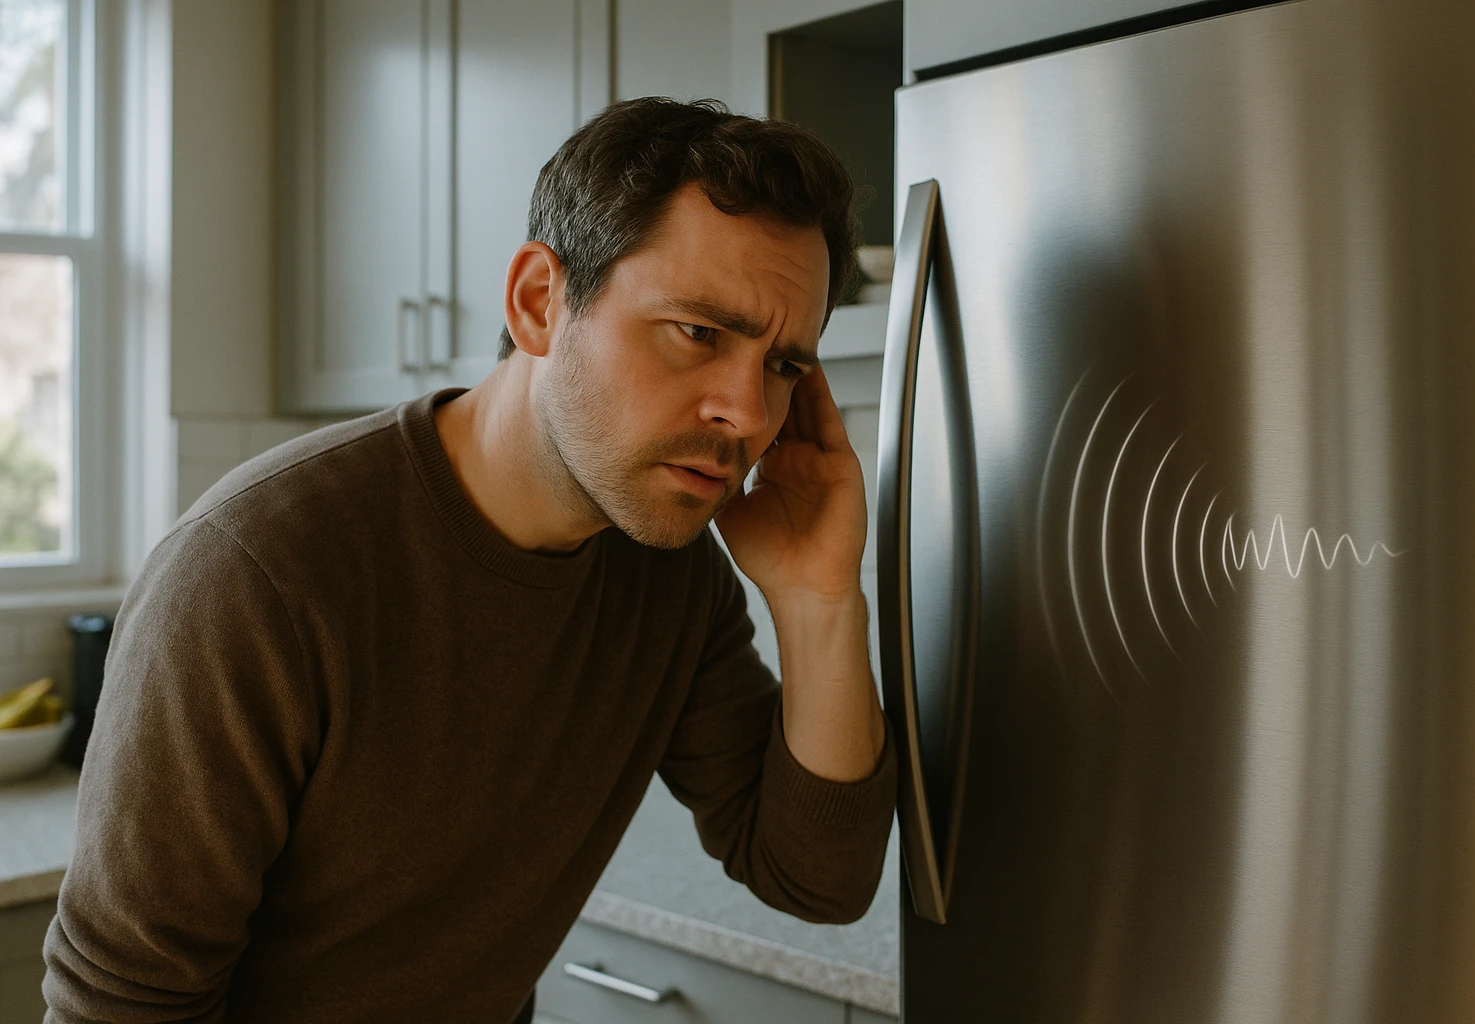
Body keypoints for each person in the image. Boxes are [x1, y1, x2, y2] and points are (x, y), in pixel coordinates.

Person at [41, 97, 896, 1024]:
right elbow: (121, 1010)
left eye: (784, 367)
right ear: (538, 302)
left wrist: (818, 601)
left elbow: (819, 879)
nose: (745, 410)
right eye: (698, 332)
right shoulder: (257, 576)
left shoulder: (665, 564)